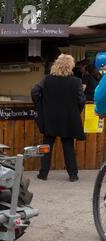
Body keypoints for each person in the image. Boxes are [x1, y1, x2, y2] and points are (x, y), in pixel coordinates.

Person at [31, 54, 86, 182]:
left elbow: (34, 91)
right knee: (68, 147)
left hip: (50, 118)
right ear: (70, 66)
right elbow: (81, 100)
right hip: (68, 118)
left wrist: (40, 106)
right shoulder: (76, 81)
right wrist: (75, 111)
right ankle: (73, 175)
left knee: (47, 145)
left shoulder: (47, 79)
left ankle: (43, 174)